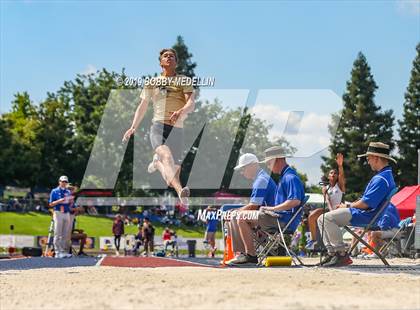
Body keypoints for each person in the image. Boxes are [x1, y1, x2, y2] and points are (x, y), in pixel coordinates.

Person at [123, 48, 195, 205]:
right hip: (158, 127)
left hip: (177, 129)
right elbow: (142, 106)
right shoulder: (152, 82)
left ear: (176, 62)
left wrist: (180, 111)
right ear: (161, 62)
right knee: (166, 156)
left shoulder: (184, 80)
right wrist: (133, 126)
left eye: (172, 56)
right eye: (165, 56)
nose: (169, 58)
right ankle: (181, 192)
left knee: (173, 174)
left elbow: (191, 103)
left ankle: (157, 164)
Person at [318, 142, 397, 267]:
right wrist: (349, 205)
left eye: (368, 158)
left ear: (376, 158)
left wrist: (348, 206)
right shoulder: (385, 176)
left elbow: (366, 203)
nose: (368, 161)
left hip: (365, 216)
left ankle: (340, 254)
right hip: (365, 214)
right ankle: (333, 254)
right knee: (321, 219)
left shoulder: (381, 179)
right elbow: (367, 202)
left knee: (326, 218)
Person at [227, 146, 305, 265]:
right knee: (239, 216)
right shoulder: (285, 176)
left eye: (269, 163)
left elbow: (295, 201)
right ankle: (248, 254)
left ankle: (249, 255)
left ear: (278, 160)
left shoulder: (289, 177)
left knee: (240, 217)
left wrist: (272, 208)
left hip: (282, 220)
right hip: (279, 218)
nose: (268, 166)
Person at [226, 153, 277, 263]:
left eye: (243, 168)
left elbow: (253, 205)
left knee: (236, 216)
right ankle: (244, 254)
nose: (242, 172)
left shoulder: (261, 180)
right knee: (235, 214)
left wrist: (235, 212)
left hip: (272, 217)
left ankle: (248, 255)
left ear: (253, 165)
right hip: (269, 215)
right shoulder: (261, 177)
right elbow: (254, 206)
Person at [307, 153, 346, 249]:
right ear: (328, 176)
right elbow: (327, 201)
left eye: (335, 173)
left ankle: (330, 245)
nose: (333, 174)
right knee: (312, 216)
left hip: (338, 210)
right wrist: (330, 210)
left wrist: (340, 166)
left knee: (324, 219)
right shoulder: (325, 188)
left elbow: (342, 176)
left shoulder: (340, 186)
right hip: (329, 209)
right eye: (331, 173)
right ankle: (313, 240)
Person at [49, 176, 72, 258]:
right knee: (58, 232)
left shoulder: (68, 192)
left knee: (65, 233)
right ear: (59, 182)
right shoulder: (54, 191)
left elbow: (70, 203)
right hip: (58, 212)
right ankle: (57, 251)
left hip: (66, 213)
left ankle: (64, 251)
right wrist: (59, 201)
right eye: (62, 181)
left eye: (65, 182)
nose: (64, 183)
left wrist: (71, 202)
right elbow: (50, 204)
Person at [67, 185, 88, 256]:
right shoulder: (69, 216)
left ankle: (80, 252)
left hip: (69, 233)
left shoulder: (72, 217)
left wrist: (77, 230)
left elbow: (71, 229)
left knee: (83, 234)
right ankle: (80, 252)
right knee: (84, 235)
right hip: (66, 235)